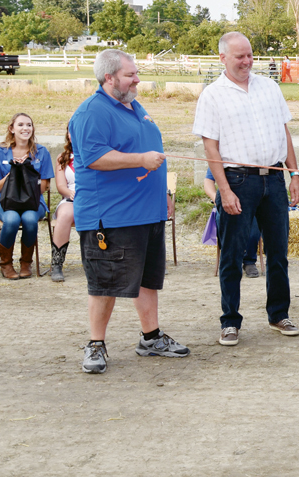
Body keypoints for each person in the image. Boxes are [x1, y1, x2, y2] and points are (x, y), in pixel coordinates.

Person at [70, 49, 189, 374]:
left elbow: (150, 154)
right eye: (130, 75)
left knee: (148, 280)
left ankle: (150, 338)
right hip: (111, 217)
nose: (137, 79)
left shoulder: (134, 107)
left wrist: (162, 191)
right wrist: (139, 160)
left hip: (147, 213)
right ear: (109, 78)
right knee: (105, 283)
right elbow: (94, 158)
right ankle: (96, 344)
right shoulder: (92, 112)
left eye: (136, 73)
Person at [193, 32, 299, 347]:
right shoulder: (212, 95)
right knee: (231, 253)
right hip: (238, 181)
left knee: (279, 252)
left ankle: (278, 314)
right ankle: (230, 322)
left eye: (250, 55)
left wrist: (294, 174)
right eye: (239, 56)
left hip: (275, 179)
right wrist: (224, 191)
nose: (246, 61)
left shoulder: (270, 87)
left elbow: (285, 132)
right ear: (223, 58)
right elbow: (210, 148)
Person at [0, 113, 54, 280]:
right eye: (21, 125)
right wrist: (14, 173)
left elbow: (44, 187)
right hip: (6, 200)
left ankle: (26, 263)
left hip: (33, 200)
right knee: (11, 220)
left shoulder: (41, 152)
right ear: (12, 128)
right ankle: (6, 264)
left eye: (29, 125)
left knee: (30, 219)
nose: (25, 128)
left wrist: (26, 172)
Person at [204, 168, 261, 278]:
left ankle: (249, 261)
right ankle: (229, 260)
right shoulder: (222, 158)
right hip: (226, 202)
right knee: (223, 223)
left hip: (250, 203)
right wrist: (217, 199)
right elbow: (208, 182)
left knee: (254, 226)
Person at [50, 126, 76, 282]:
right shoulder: (63, 157)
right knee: (65, 214)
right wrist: (71, 193)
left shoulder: (97, 155)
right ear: (68, 135)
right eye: (72, 131)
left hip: (93, 198)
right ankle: (57, 264)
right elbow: (61, 186)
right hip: (70, 197)